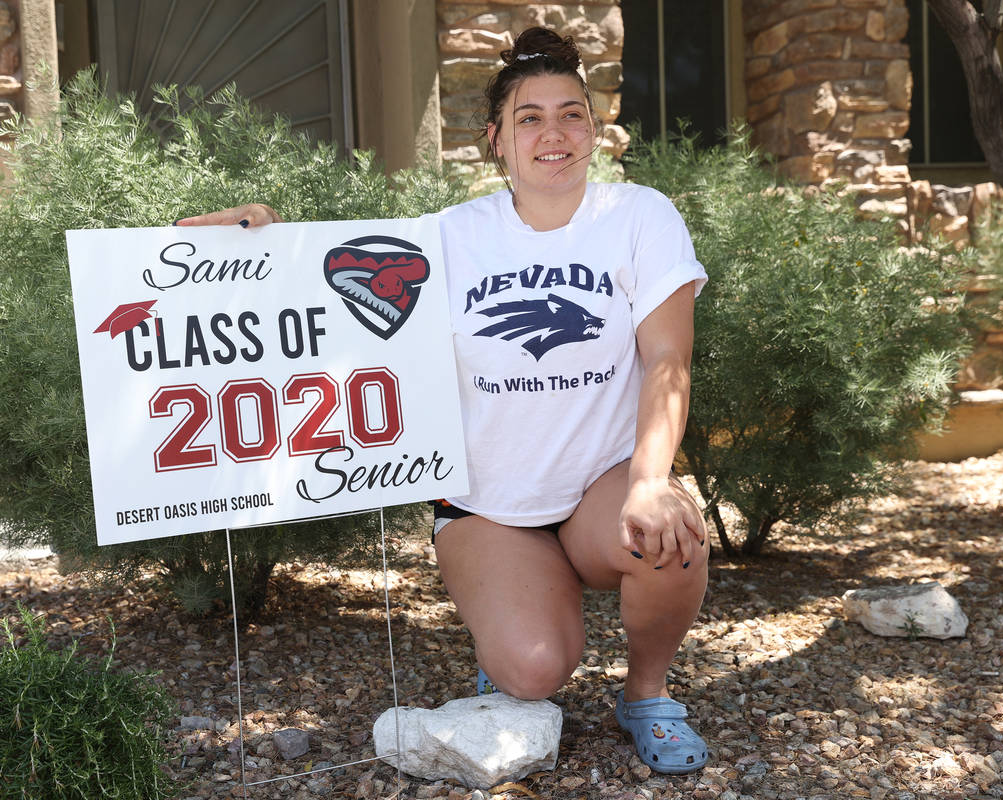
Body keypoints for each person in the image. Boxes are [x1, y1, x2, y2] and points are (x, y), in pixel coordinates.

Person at [178, 26, 711, 776]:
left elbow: (667, 360)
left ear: (594, 130)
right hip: (487, 501)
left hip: (603, 484)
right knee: (532, 672)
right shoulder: (447, 238)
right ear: (496, 140)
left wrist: (652, 481)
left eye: (572, 114)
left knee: (673, 537)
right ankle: (513, 624)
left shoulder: (639, 217)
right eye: (530, 118)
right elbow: (322, 279)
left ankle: (647, 693)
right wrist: (252, 242)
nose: (553, 134)